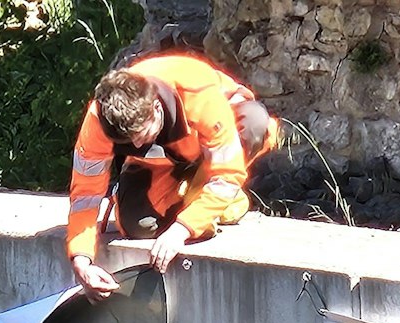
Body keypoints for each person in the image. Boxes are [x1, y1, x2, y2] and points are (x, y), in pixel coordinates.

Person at [66, 54, 281, 300]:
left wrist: (181, 229)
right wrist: (81, 260)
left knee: (254, 123)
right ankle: (197, 198)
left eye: (142, 134)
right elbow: (85, 194)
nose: (136, 143)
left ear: (156, 108)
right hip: (166, 161)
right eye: (127, 140)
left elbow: (226, 172)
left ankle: (215, 200)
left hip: (219, 140)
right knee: (139, 226)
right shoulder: (100, 120)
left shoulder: (197, 91)